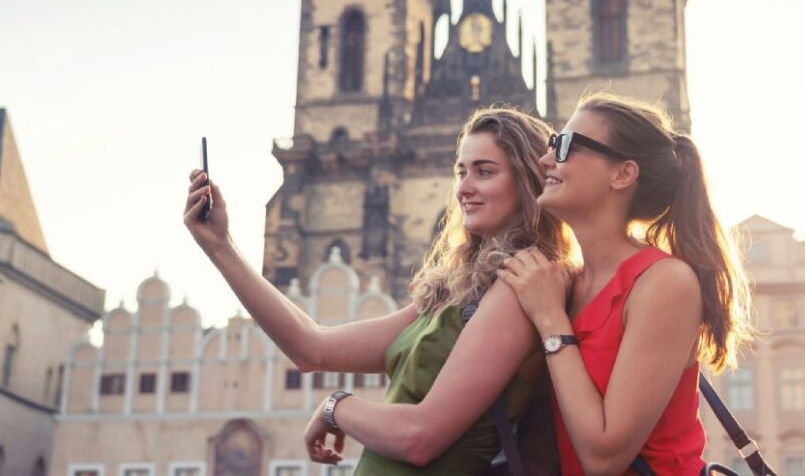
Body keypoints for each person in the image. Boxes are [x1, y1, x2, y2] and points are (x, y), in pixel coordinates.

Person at [183, 107, 573, 474]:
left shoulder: (520, 283)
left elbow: (420, 437)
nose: (463, 188)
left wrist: (337, 406)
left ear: (526, 181)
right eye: (461, 172)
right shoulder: (461, 291)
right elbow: (311, 347)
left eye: (484, 172)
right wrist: (220, 245)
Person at [498, 92, 754, 476]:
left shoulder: (665, 281)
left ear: (622, 174)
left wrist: (551, 321)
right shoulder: (567, 283)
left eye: (565, 145)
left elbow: (604, 457)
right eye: (553, 144)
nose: (546, 159)